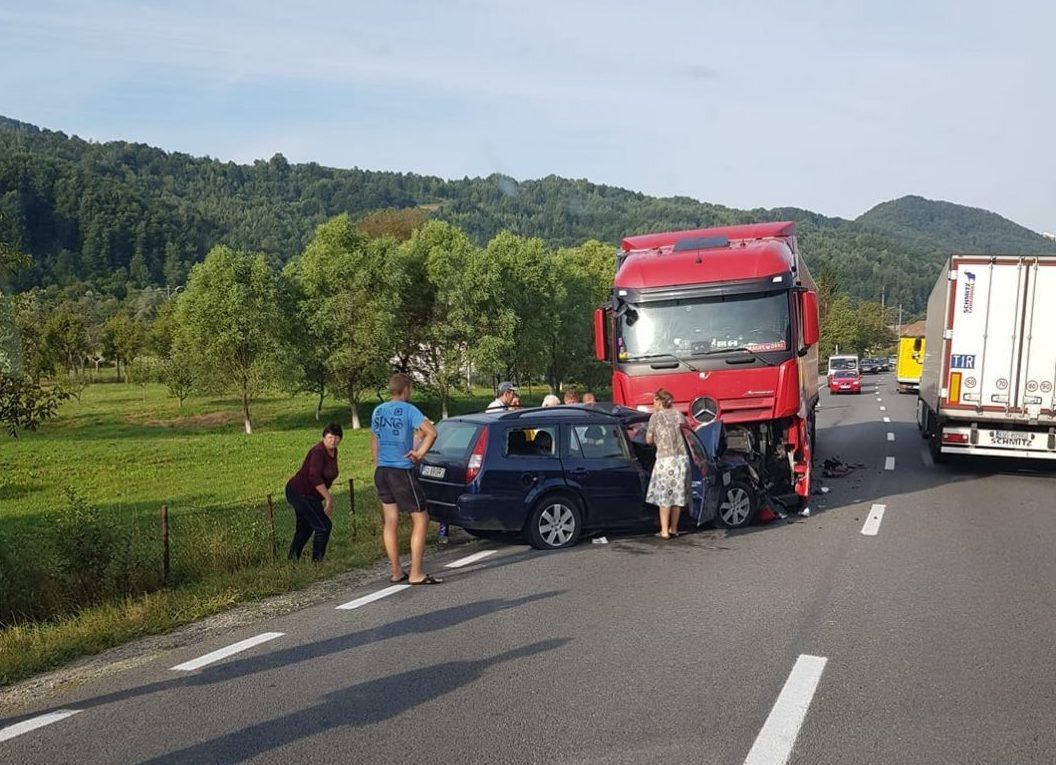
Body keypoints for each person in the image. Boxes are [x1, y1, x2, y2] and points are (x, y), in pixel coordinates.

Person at [371, 373, 441, 584]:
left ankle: (396, 571)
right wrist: (418, 455)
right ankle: (416, 573)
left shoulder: (378, 410)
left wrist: (378, 463)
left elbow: (375, 439)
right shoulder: (409, 410)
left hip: (382, 470)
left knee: (390, 521)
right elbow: (432, 432)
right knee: (421, 518)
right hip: (401, 470)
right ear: (406, 389)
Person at [286, 423, 343, 562]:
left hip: (311, 495)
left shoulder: (334, 452)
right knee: (323, 526)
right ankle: (317, 563)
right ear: (324, 437)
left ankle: (291, 561)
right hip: (300, 492)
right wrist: (328, 498)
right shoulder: (318, 451)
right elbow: (314, 476)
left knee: (305, 529)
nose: (333, 441)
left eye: (336, 438)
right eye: (330, 437)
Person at [645, 389, 690, 539]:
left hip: (665, 460)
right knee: (677, 496)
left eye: (654, 401)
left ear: (659, 401)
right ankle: (674, 529)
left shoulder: (655, 418)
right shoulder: (679, 415)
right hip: (682, 459)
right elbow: (689, 434)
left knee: (665, 497)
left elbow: (649, 440)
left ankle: (664, 531)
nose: (653, 404)